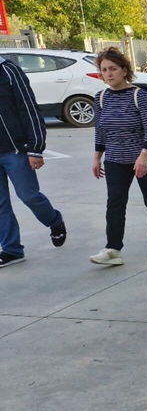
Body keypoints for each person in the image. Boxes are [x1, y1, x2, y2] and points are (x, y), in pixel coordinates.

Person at [89, 47, 147, 266]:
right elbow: (100, 130)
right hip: (115, 158)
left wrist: (143, 156)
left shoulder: (139, 95)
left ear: (124, 70)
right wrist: (96, 157)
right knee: (115, 202)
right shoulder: (100, 97)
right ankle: (113, 249)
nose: (109, 74)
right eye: (104, 70)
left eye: (113, 68)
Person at [0, 56, 66, 268]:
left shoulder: (9, 71)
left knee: (28, 195)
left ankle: (54, 221)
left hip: (15, 150)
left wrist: (35, 148)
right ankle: (12, 249)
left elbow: (28, 108)